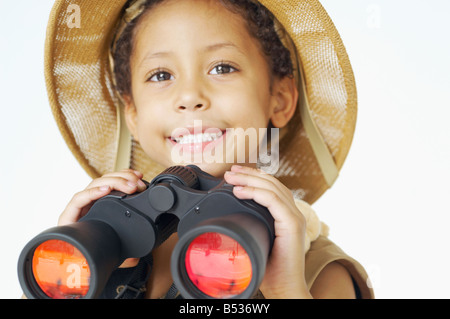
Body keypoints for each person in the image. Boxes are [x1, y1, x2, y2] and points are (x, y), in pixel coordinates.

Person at [44, 0, 374, 299]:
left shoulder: (319, 271)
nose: (189, 96)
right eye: (161, 75)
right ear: (132, 115)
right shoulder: (105, 250)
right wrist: (67, 271)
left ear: (280, 98)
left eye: (222, 68)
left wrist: (286, 289)